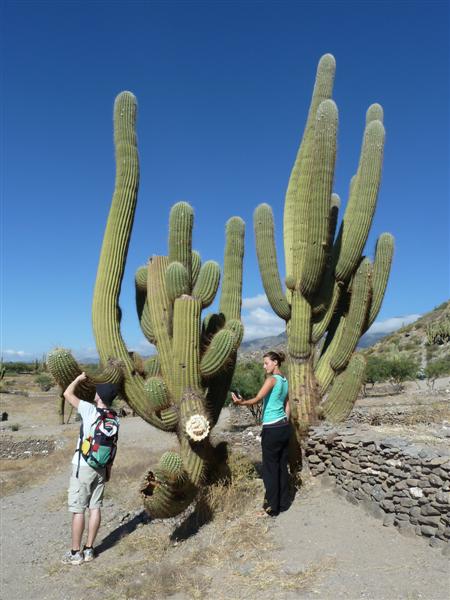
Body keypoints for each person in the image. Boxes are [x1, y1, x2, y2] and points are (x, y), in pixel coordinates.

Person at [62, 372, 119, 565]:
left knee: (79, 510)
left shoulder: (88, 410)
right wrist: (108, 470)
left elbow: (67, 394)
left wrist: (78, 379)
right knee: (95, 507)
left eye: (97, 391)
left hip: (83, 466)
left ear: (100, 396)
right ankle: (89, 550)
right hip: (102, 467)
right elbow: (113, 445)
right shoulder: (114, 418)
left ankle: (75, 553)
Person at [232, 351, 290, 517]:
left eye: (266, 363)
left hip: (272, 429)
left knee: (270, 469)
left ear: (275, 362)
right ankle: (284, 503)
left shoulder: (271, 380)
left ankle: (271, 508)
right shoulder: (284, 380)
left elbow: (257, 398)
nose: (264, 366)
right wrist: (286, 421)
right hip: (284, 427)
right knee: (281, 467)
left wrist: (241, 402)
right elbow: (287, 404)